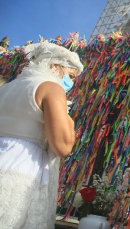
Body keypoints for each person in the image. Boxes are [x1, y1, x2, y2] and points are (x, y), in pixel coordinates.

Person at [0, 41, 83, 229]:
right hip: (22, 168)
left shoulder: (6, 88)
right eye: (70, 76)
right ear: (56, 66)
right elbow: (63, 146)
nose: (71, 83)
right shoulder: (51, 88)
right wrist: (69, 120)